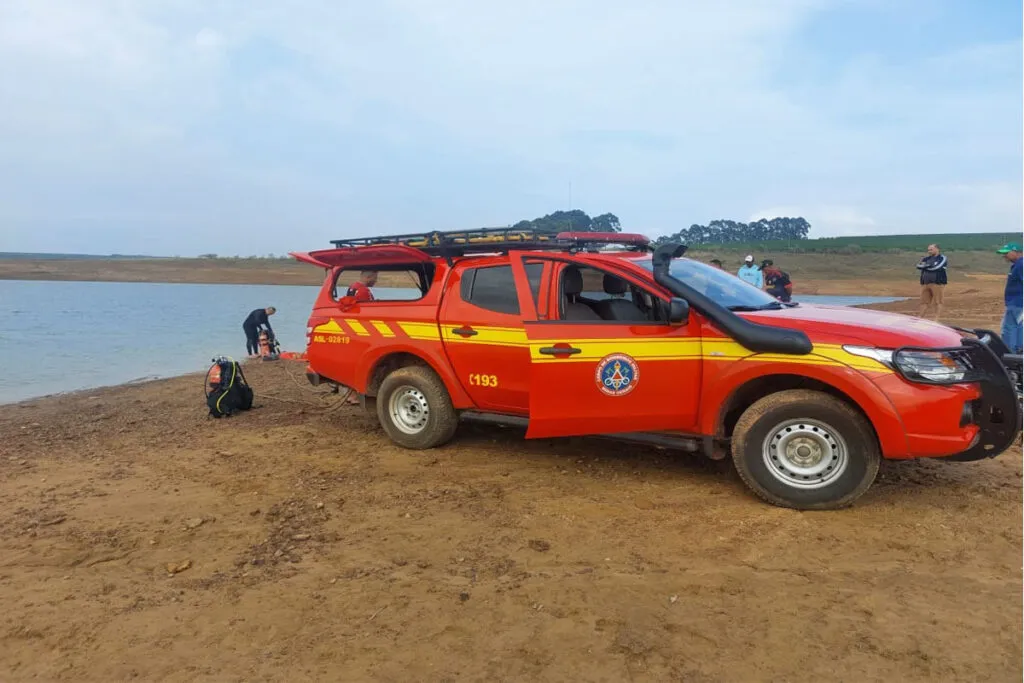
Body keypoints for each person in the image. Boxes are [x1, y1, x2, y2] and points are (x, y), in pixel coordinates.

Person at [998, 242, 1022, 354]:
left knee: (1009, 329)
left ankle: (1009, 355)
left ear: (1016, 252)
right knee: (1018, 328)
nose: (1004, 256)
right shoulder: (1017, 265)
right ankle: (1018, 351)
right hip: (1017, 303)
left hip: (1017, 303)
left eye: (1007, 253)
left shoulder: (1021, 265)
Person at [916, 244, 948, 320]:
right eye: (928, 250)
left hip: (937, 283)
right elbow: (918, 266)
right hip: (925, 283)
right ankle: (920, 318)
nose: (929, 251)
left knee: (938, 301)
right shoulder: (925, 258)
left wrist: (925, 267)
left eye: (931, 249)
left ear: (937, 249)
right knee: (924, 302)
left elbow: (937, 267)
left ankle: (936, 319)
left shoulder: (942, 258)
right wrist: (928, 266)